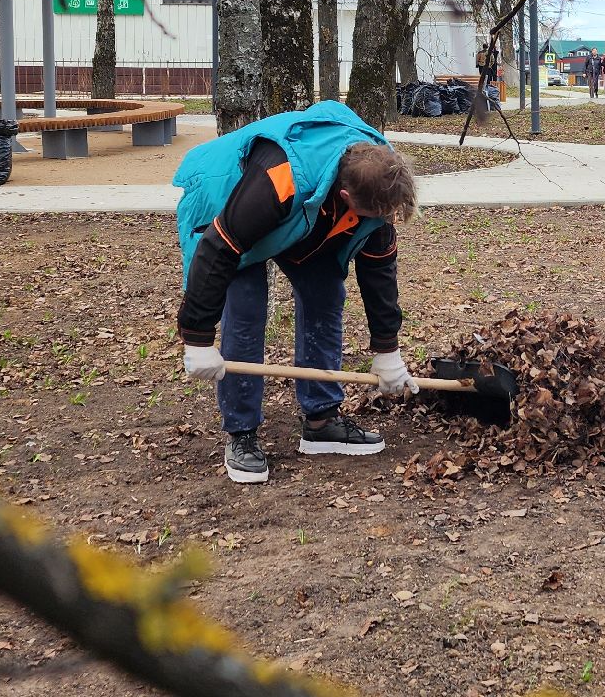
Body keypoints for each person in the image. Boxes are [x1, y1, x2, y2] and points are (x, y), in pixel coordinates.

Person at [173, 101, 421, 485]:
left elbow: (379, 275)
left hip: (304, 218)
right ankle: (241, 434)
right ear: (344, 197)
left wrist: (387, 350)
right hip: (226, 200)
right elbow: (217, 250)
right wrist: (197, 337)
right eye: (373, 215)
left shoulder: (377, 183)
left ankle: (321, 420)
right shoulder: (279, 177)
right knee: (247, 308)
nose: (381, 222)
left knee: (325, 294)